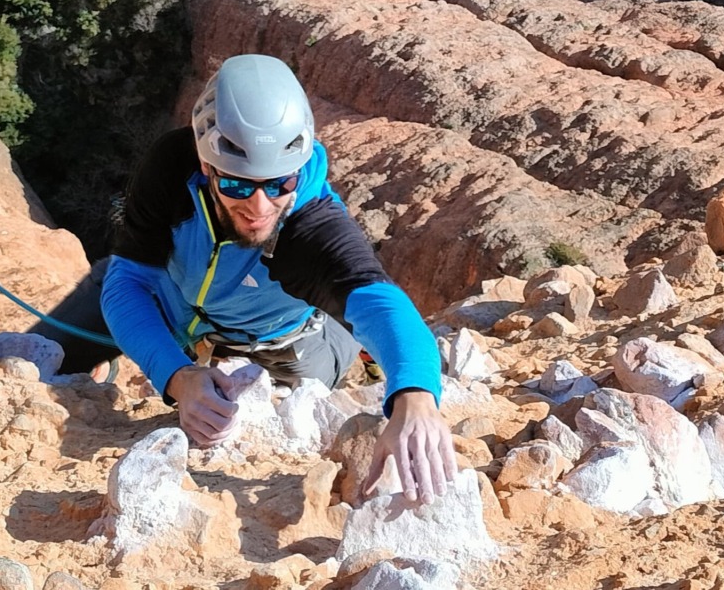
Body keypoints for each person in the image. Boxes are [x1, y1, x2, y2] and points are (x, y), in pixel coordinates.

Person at [30, 53, 457, 504]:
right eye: (237, 184)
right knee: (45, 355)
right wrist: (177, 376)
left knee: (281, 410)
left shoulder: (310, 226)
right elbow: (129, 279)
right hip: (173, 302)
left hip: (281, 341)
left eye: (278, 184)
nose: (259, 208)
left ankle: (350, 352)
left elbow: (379, 300)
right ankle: (111, 362)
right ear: (207, 166)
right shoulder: (172, 168)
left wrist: (415, 396)